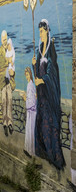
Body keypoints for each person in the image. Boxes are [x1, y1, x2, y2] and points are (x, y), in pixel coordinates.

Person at [32, 19, 65, 170]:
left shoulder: (50, 49)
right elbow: (38, 71)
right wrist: (34, 65)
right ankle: (44, 152)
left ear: (46, 31)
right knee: (41, 124)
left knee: (50, 126)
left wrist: (44, 80)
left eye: (41, 31)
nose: (40, 34)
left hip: (49, 95)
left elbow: (52, 70)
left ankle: (55, 158)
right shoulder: (40, 48)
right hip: (42, 97)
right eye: (39, 32)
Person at [0, 30, 15, 137]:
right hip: (3, 80)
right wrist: (8, 61)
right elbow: (1, 64)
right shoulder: (0, 51)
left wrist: (12, 71)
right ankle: (4, 123)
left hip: (9, 79)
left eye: (6, 39)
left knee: (10, 101)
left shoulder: (10, 49)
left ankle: (10, 123)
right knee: (4, 102)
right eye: (3, 40)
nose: (5, 42)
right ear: (1, 40)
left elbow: (13, 62)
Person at [22, 67, 36, 157]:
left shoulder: (30, 85)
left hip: (32, 111)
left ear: (30, 75)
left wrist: (25, 98)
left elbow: (32, 101)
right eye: (26, 75)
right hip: (32, 110)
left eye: (27, 75)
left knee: (30, 131)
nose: (26, 77)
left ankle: (30, 151)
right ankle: (28, 149)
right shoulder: (30, 85)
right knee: (29, 130)